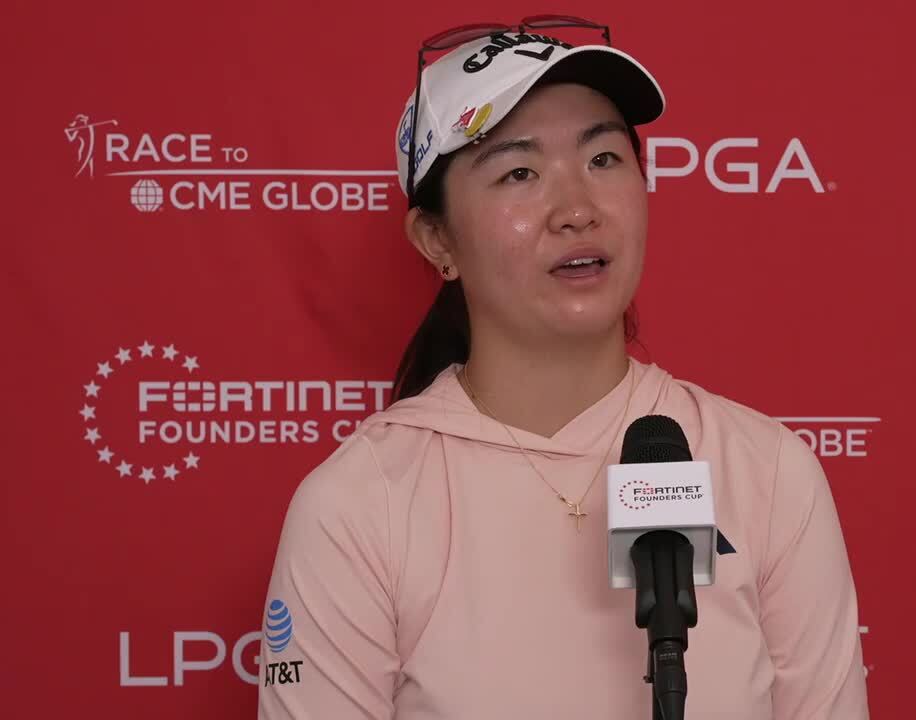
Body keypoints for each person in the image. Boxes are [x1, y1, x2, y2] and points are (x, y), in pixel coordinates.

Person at [258, 18, 870, 719]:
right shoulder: (360, 506)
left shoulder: (768, 473)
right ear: (437, 239)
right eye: (519, 172)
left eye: (603, 159)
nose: (577, 209)